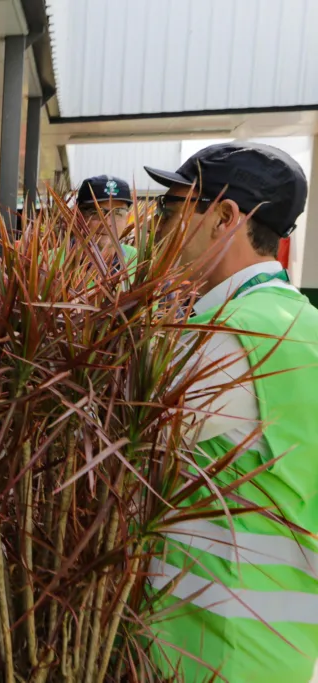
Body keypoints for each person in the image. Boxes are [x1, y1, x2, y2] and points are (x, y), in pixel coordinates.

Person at [144, 142, 318, 682]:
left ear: (223, 218)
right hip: (270, 639)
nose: (155, 229)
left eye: (170, 211)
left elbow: (124, 435)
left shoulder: (230, 338)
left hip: (213, 646)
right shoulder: (292, 321)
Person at [75, 175, 136, 267]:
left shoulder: (140, 261)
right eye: (95, 212)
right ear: (77, 216)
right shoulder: (50, 262)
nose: (107, 223)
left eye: (118, 212)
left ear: (127, 219)